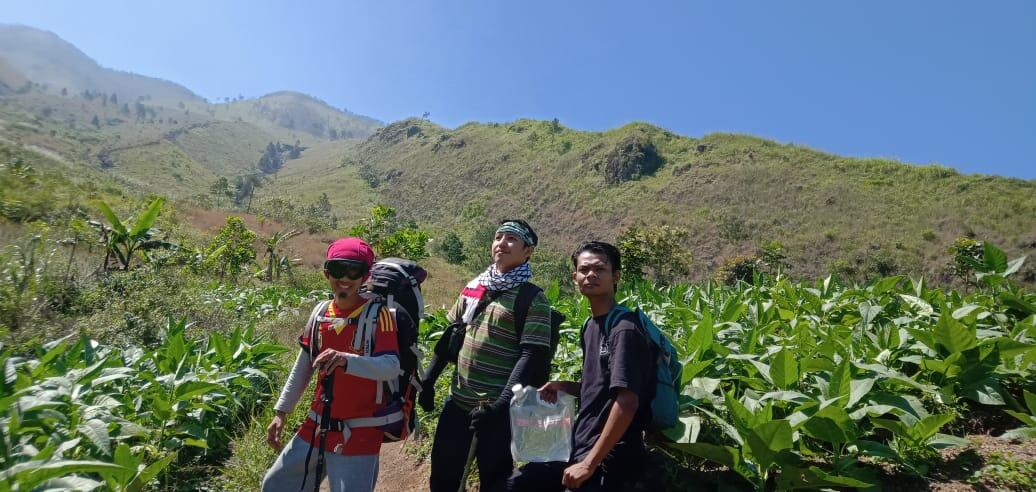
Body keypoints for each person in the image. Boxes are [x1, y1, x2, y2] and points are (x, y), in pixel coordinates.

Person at [505, 241, 655, 492]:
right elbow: (601, 386)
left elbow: (627, 401)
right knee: (514, 484)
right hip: (581, 444)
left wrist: (589, 463)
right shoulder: (591, 326)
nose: (591, 275)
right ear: (575, 277)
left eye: (600, 269)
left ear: (616, 276)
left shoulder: (624, 329)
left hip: (609, 456)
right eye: (584, 270)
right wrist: (564, 386)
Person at [421, 219, 553, 492]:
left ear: (527, 251)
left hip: (497, 412)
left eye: (511, 239)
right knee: (443, 477)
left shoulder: (532, 299)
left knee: (494, 481)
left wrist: (499, 407)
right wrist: (428, 381)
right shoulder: (475, 286)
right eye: (498, 237)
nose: (501, 243)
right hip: (457, 404)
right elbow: (451, 335)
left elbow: (530, 357)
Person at [262, 238, 401, 492]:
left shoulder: (379, 316)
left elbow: (391, 366)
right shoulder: (320, 313)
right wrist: (281, 412)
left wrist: (347, 360)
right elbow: (303, 365)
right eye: (338, 269)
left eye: (354, 270)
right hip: (317, 423)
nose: (345, 278)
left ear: (365, 275)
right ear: (327, 272)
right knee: (275, 485)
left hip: (360, 431)